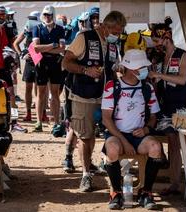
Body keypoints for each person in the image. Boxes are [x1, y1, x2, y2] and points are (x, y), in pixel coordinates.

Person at [62, 11, 125, 192]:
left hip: (105, 96)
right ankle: (85, 175)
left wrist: (118, 71)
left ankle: (91, 165)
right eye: (116, 31)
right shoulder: (84, 37)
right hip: (83, 95)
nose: (118, 35)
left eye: (120, 32)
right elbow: (66, 62)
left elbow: (111, 66)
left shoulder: (113, 44)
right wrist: (85, 70)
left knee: (97, 135)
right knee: (85, 136)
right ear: (105, 26)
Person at [102, 49, 168, 210]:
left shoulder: (147, 88)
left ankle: (146, 193)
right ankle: (116, 193)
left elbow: (153, 116)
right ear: (132, 69)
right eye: (143, 67)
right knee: (111, 149)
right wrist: (124, 141)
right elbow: (106, 118)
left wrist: (146, 129)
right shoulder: (113, 86)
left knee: (155, 147)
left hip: (139, 135)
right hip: (117, 135)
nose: (146, 70)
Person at [148, 18, 186, 196]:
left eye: (156, 41)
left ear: (166, 38)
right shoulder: (159, 57)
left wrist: (160, 75)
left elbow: (183, 79)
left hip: (185, 104)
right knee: (173, 145)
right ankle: (175, 183)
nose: (155, 45)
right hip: (167, 104)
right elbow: (158, 80)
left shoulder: (183, 55)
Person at [32, 5, 66, 133]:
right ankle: (39, 121)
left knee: (55, 93)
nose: (47, 17)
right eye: (45, 14)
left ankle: (56, 122)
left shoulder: (60, 29)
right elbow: (36, 48)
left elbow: (62, 48)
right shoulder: (38, 28)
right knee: (41, 93)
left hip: (55, 63)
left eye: (49, 15)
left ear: (53, 15)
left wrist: (45, 48)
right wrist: (53, 46)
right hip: (42, 63)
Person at [13, 11, 41, 121]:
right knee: (29, 88)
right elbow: (15, 43)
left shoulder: (41, 29)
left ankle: (42, 113)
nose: (31, 20)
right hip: (30, 61)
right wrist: (22, 54)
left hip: (39, 61)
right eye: (30, 18)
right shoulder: (27, 30)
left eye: (33, 18)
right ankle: (29, 113)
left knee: (40, 88)